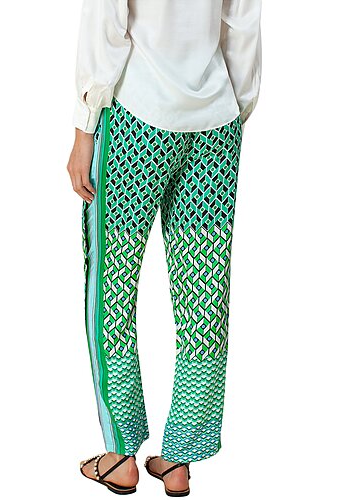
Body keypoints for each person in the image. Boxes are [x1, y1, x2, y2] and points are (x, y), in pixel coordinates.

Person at [66, 0, 262, 496]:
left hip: (138, 120)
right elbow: (241, 23)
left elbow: (106, 23)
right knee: (204, 295)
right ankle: (178, 459)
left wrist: (84, 128)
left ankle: (120, 454)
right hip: (215, 125)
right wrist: (234, 107)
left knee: (111, 286)